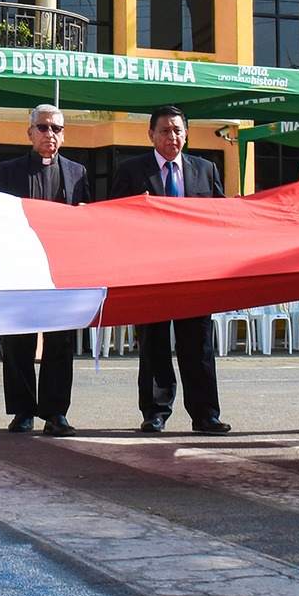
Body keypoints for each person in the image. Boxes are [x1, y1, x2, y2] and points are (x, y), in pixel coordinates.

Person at [111, 106, 233, 436]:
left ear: (187, 134)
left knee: (198, 345)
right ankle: (155, 412)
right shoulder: (131, 170)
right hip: (150, 272)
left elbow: (219, 217)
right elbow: (115, 218)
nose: (172, 137)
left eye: (178, 130)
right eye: (165, 131)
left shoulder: (205, 169)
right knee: (154, 344)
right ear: (150, 135)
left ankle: (205, 413)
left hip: (194, 272)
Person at [0, 104, 90, 437]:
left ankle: (56, 413)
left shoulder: (77, 172)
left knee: (60, 343)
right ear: (30, 131)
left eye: (57, 129)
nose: (50, 134)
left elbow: (85, 221)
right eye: (44, 128)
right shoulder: (9, 170)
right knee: (18, 341)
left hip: (61, 271)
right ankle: (23, 411)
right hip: (21, 268)